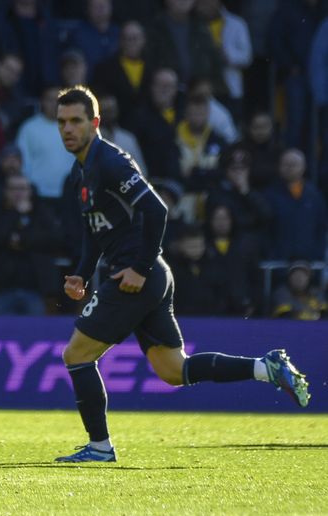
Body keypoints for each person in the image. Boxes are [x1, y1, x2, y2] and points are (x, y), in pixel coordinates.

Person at [54, 85, 310, 463]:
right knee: (175, 371)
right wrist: (81, 273)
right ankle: (266, 368)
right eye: (61, 122)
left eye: (76, 121)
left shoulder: (110, 162)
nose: (67, 129)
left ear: (95, 123)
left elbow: (157, 210)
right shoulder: (83, 170)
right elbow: (95, 231)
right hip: (147, 276)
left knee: (76, 354)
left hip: (135, 277)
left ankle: (100, 447)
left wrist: (140, 268)